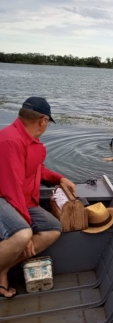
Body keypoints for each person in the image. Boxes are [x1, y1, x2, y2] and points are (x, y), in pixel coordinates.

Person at [0, 97, 76, 298]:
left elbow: (37, 169)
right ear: (43, 120)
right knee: (23, 234)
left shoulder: (29, 140)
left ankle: (3, 269)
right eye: (48, 122)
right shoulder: (10, 140)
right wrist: (24, 223)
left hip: (21, 199)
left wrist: (61, 178)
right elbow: (11, 187)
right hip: (5, 197)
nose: (47, 126)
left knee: (53, 229)